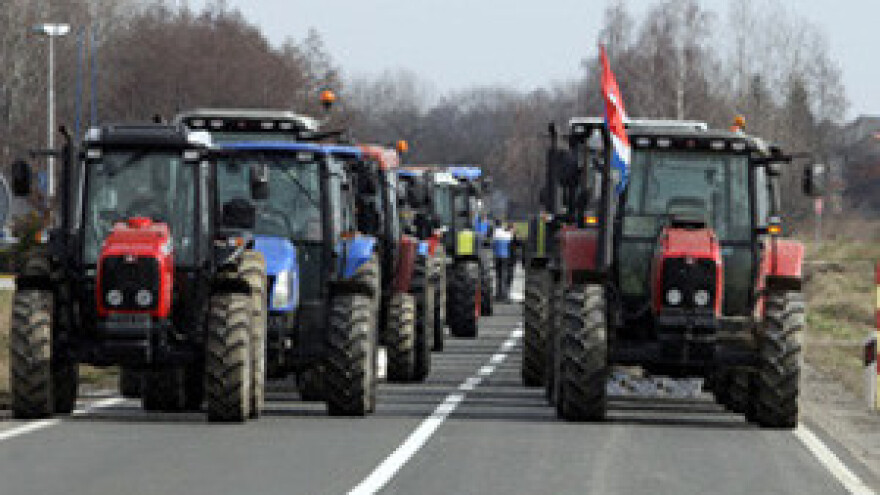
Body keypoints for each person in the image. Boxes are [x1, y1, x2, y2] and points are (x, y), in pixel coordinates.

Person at [491, 219, 513, 302]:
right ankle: (504, 296)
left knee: (498, 276)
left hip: (497, 256)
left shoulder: (495, 233)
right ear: (501, 224)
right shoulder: (507, 234)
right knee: (504, 276)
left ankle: (498, 295)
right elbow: (511, 239)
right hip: (505, 257)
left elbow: (493, 244)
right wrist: (509, 230)